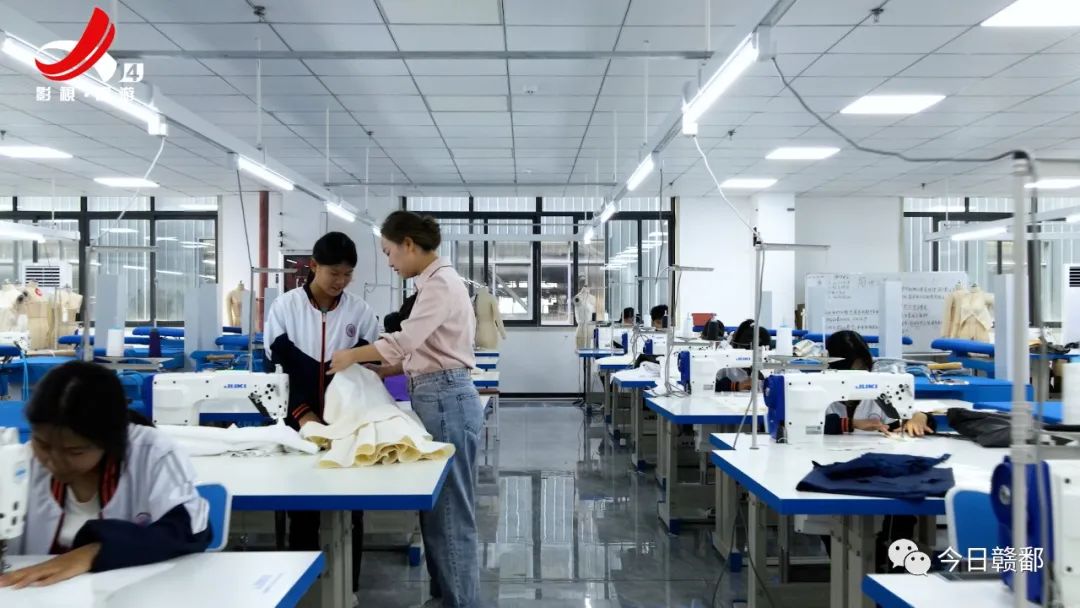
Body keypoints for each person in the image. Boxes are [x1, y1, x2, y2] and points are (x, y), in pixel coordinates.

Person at [329, 211, 482, 608]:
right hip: (438, 396)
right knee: (438, 512)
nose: (389, 261)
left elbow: (406, 339)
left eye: (389, 252)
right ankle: (445, 597)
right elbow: (430, 348)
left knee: (450, 515)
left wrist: (351, 356)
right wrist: (388, 370)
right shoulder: (434, 282)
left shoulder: (440, 284)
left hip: (445, 400)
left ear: (408, 245)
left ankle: (460, 603)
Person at [2, 361, 210, 589]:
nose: (54, 461)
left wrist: (94, 551)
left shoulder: (153, 452)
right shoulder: (21, 462)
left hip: (129, 594)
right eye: (42, 445)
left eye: (74, 451)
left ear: (109, 441)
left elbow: (190, 529)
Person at [264, 231, 379, 597]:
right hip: (297, 425)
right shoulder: (285, 309)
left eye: (347, 274)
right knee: (301, 508)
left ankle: (349, 591)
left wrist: (346, 420)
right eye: (334, 273)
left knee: (351, 510)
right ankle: (302, 592)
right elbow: (278, 372)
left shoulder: (360, 313)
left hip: (346, 425)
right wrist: (303, 415)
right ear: (313, 266)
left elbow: (366, 372)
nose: (340, 282)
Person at [820, 329, 933, 572]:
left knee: (904, 498)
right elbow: (812, 424)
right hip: (833, 467)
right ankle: (851, 568)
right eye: (854, 369)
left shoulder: (878, 390)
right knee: (832, 515)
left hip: (873, 465)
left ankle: (891, 560)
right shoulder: (820, 391)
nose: (861, 375)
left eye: (864, 368)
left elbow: (907, 412)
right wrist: (851, 424)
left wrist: (919, 417)